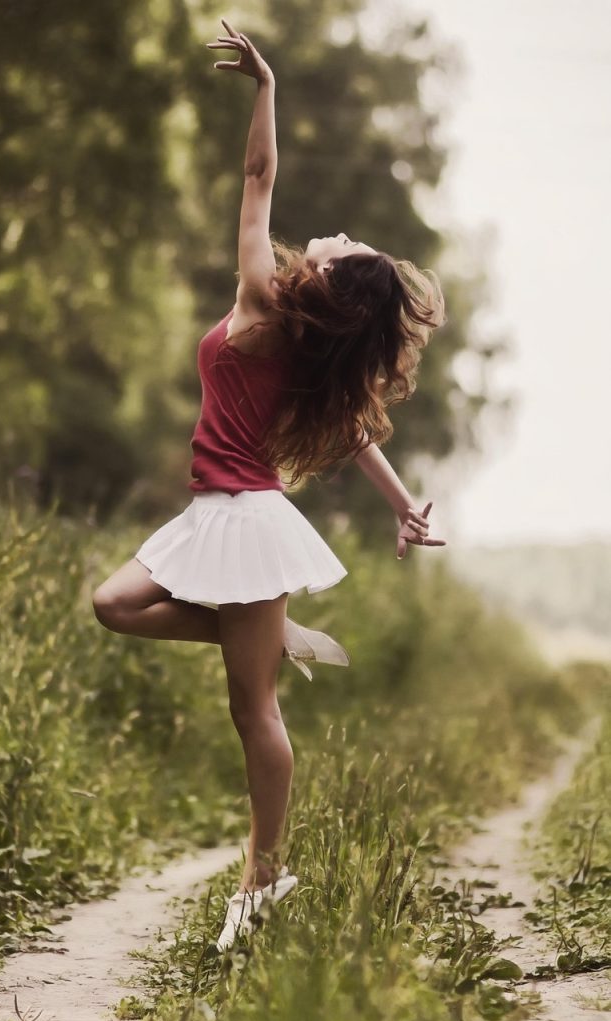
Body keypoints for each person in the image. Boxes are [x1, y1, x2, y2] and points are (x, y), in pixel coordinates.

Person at [92, 18, 447, 953]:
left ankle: (262, 873)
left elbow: (258, 182)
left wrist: (268, 89)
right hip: (215, 512)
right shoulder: (301, 340)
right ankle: (269, 625)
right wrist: (402, 504)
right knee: (114, 603)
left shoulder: (260, 297)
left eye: (341, 242)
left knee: (254, 710)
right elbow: (362, 435)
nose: (330, 233)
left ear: (326, 276)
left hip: (245, 517)